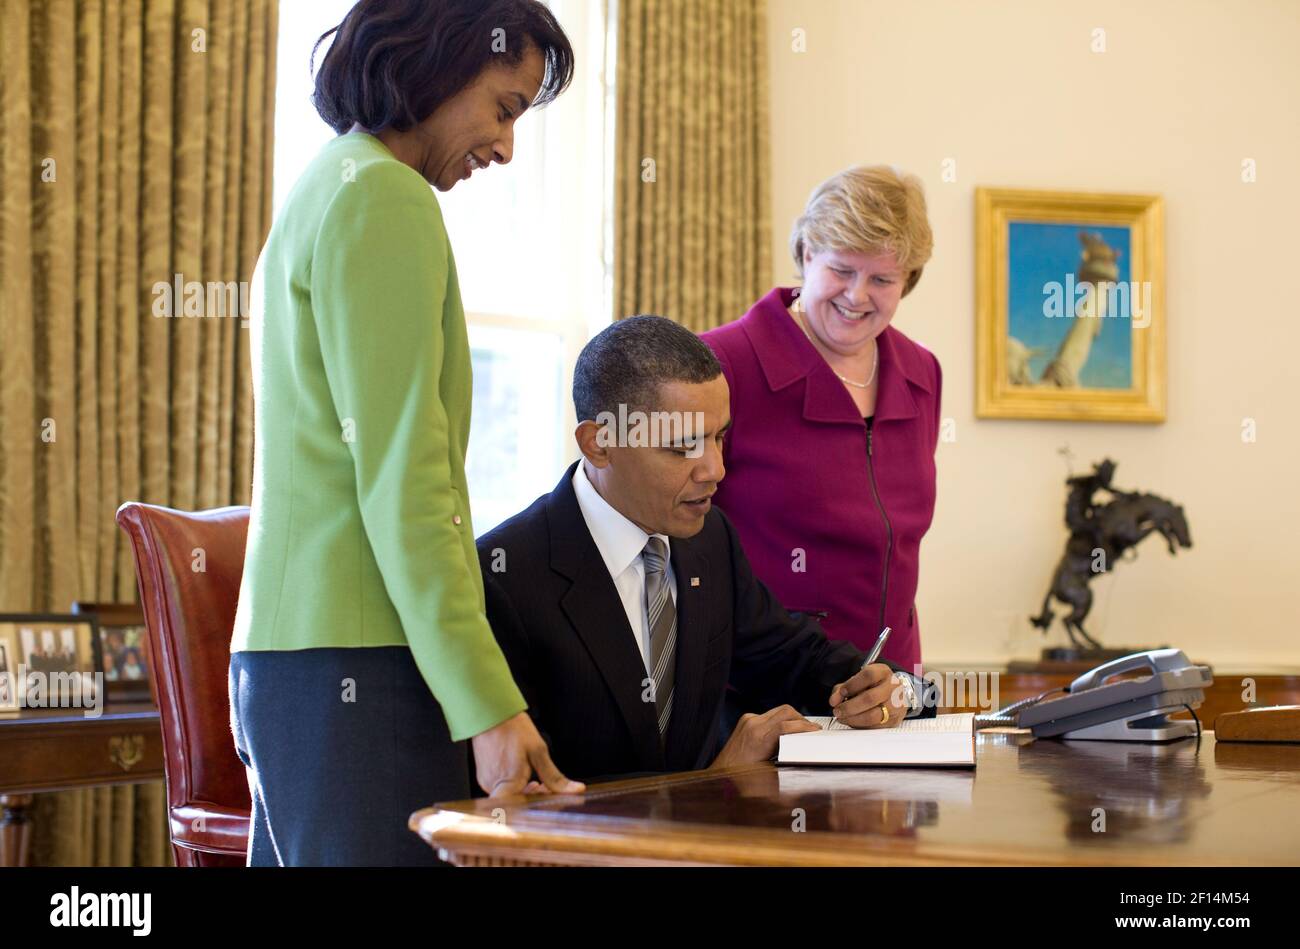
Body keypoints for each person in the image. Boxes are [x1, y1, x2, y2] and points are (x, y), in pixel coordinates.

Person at [228, 0, 582, 867]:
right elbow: (405, 478)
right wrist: (490, 707)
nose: (505, 147)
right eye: (504, 108)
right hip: (361, 658)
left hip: (294, 659)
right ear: (435, 61)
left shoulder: (328, 182)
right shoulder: (384, 196)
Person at [477, 316, 935, 783]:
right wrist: (717, 780)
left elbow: (796, 656)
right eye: (682, 448)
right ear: (599, 444)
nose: (715, 469)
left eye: (719, 437)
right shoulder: (501, 579)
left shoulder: (710, 538)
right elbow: (532, 812)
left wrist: (897, 688)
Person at [700, 166, 940, 678]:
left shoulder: (923, 374)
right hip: (760, 688)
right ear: (808, 254)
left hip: (890, 691)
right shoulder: (721, 362)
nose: (857, 296)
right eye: (842, 270)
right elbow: (676, 539)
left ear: (907, 282)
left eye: (882, 279)